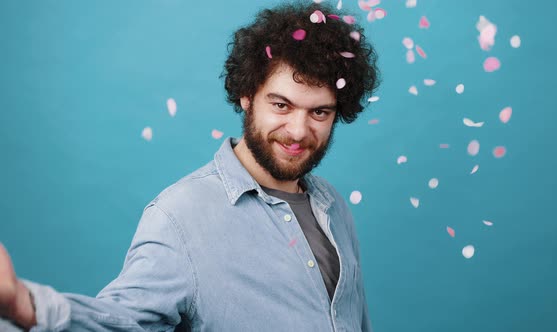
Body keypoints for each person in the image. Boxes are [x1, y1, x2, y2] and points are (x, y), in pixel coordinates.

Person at [0, 1, 379, 331]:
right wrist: (25, 305)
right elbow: (121, 321)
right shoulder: (180, 216)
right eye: (281, 105)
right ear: (247, 96)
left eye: (319, 112)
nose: (298, 131)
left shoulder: (332, 205)